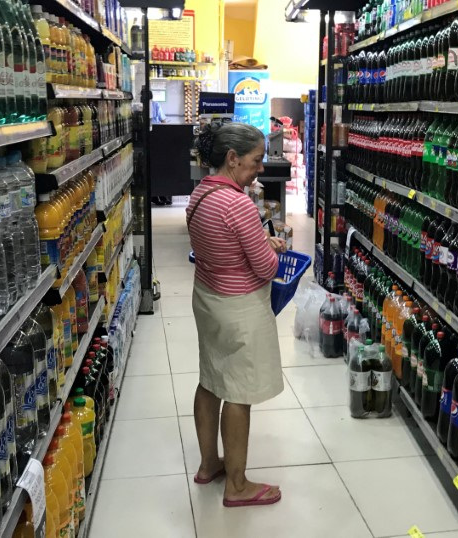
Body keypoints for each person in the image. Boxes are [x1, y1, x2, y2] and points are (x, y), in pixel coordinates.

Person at [187, 122, 287, 508]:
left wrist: (257, 241)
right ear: (232, 159)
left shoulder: (201, 194)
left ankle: (209, 463)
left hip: (207, 297)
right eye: (255, 161)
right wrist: (272, 249)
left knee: (210, 378)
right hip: (239, 308)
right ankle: (238, 485)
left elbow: (221, 244)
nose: (260, 168)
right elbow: (266, 269)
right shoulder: (238, 203)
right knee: (239, 391)